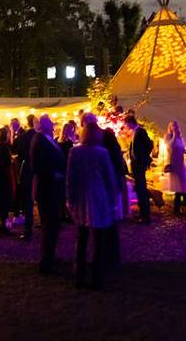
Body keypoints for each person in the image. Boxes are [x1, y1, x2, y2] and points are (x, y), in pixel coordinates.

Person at [66, 115, 117, 289]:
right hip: (98, 196)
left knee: (81, 238)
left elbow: (70, 178)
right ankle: (97, 278)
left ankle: (78, 276)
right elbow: (109, 177)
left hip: (81, 196)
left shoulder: (75, 152)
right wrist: (112, 199)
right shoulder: (102, 152)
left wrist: (69, 199)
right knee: (98, 240)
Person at [30, 114, 66, 273]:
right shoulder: (39, 140)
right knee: (49, 225)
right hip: (47, 188)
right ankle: (46, 262)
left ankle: (50, 256)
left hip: (53, 187)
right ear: (44, 125)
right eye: (50, 124)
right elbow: (37, 166)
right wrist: (53, 174)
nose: (53, 126)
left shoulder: (47, 139)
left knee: (53, 224)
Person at [100, 126, 128, 267]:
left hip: (106, 191)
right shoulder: (114, 155)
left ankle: (108, 256)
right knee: (112, 224)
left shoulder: (104, 155)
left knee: (106, 225)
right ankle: (114, 257)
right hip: (113, 188)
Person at [127, 114, 154, 224]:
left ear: (130, 123)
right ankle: (143, 212)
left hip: (140, 164)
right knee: (139, 187)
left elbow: (149, 144)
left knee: (141, 188)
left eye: (126, 124)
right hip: (137, 164)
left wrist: (143, 157)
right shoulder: (135, 132)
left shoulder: (140, 131)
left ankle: (145, 215)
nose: (126, 126)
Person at [13, 115, 36, 240]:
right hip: (38, 171)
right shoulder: (40, 137)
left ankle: (28, 229)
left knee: (28, 201)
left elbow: (20, 154)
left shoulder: (23, 137)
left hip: (27, 170)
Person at [164, 122, 186, 216]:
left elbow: (181, 148)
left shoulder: (180, 138)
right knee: (180, 187)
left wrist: (185, 151)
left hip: (181, 163)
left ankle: (177, 209)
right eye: (172, 125)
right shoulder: (168, 136)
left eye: (176, 125)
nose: (174, 127)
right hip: (174, 164)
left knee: (181, 187)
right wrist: (174, 136)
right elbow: (169, 146)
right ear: (170, 127)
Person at [0, 125, 15, 234]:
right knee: (4, 200)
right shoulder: (4, 147)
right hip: (4, 177)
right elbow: (6, 163)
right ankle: (3, 226)